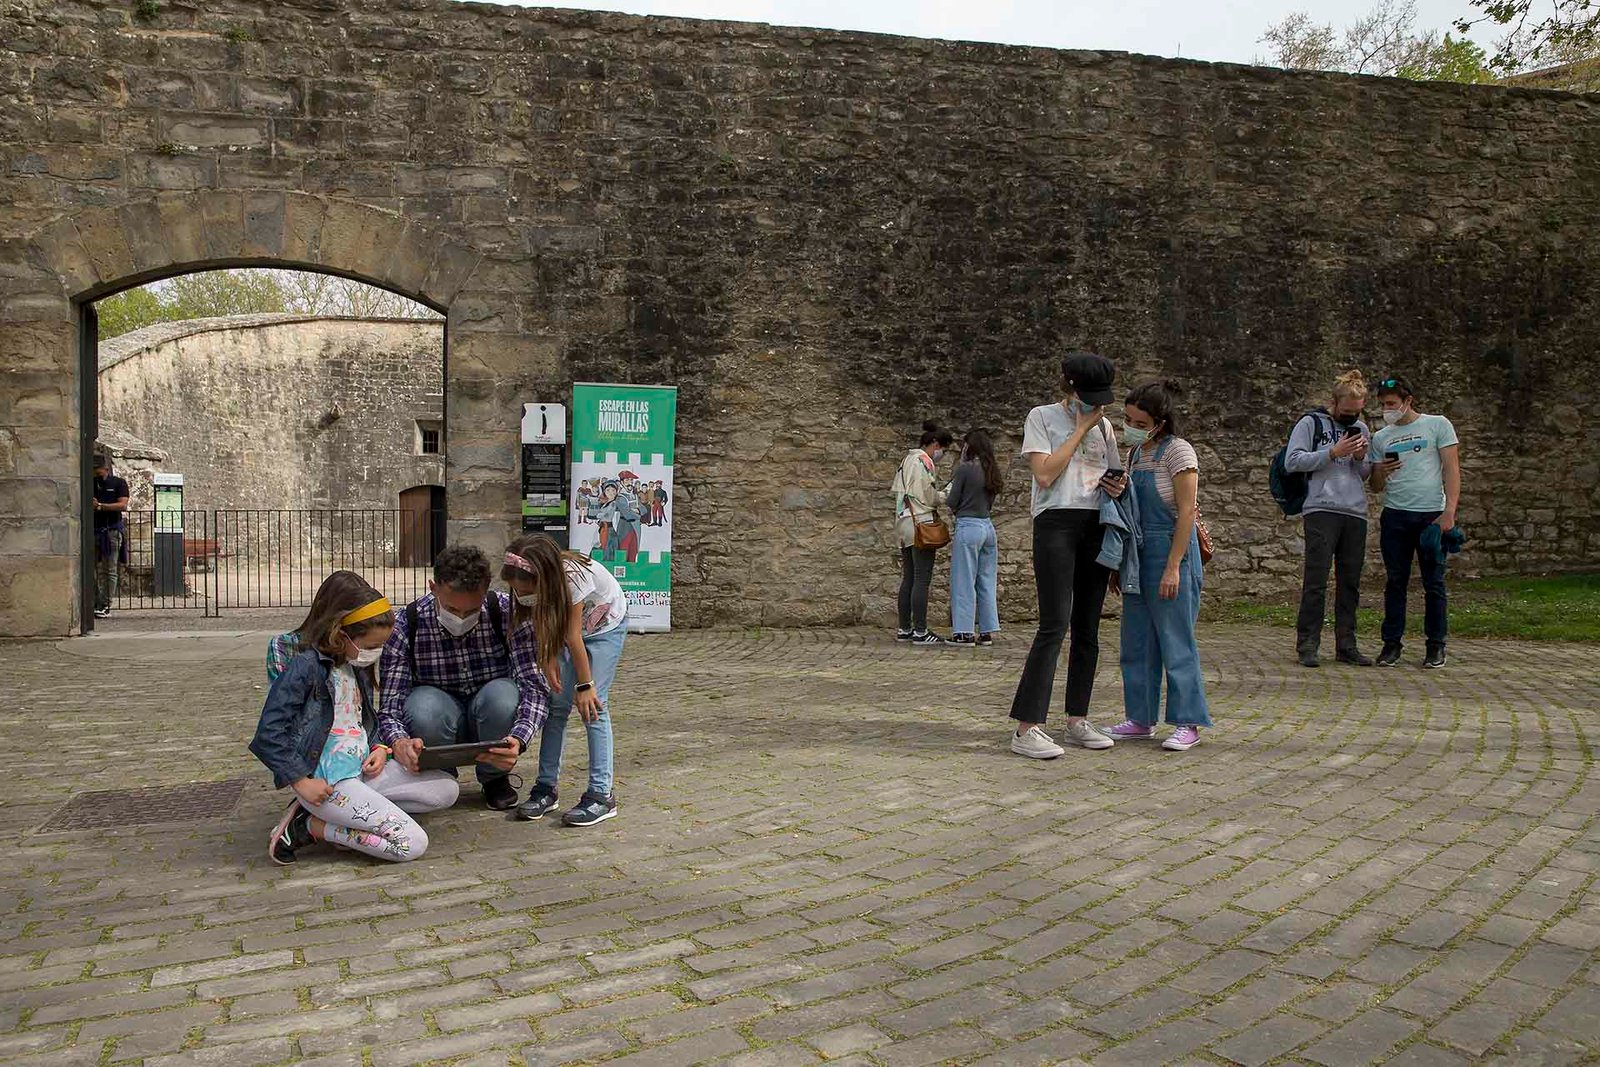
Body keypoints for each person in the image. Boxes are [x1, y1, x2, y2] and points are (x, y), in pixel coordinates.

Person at [250, 571, 460, 865]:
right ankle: (311, 827)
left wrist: (378, 747)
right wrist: (300, 781)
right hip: (331, 782)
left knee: (447, 788)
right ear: (342, 634)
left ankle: (340, 816)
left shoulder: (353, 666)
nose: (375, 653)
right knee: (411, 844)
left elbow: (360, 720)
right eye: (372, 646)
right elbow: (268, 734)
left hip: (362, 771)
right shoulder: (306, 667)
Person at [1008, 352, 1121, 759]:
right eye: (1089, 396)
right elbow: (1044, 473)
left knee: (1088, 628)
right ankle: (1026, 728)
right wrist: (1080, 429)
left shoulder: (1106, 425)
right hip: (1056, 521)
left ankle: (1077, 717)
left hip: (1095, 523)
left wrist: (1117, 484)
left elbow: (1111, 473)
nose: (1096, 404)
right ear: (1071, 388)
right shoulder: (1041, 417)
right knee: (1054, 624)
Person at [377, 545, 548, 811]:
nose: (461, 618)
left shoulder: (507, 613)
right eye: (452, 608)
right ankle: (441, 775)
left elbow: (534, 686)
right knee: (422, 706)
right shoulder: (405, 624)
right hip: (438, 718)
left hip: (490, 713)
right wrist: (398, 742)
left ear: (486, 589)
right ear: (433, 588)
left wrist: (519, 739)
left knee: (504, 696)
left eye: (471, 611)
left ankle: (494, 777)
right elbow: (390, 706)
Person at [1104, 380, 1213, 751]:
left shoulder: (1178, 453)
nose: (1129, 426)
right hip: (1138, 554)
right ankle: (1140, 718)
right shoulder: (1135, 455)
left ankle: (1189, 722)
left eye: (1137, 420)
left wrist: (1174, 567)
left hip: (1171, 550)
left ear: (1159, 422)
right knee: (1136, 641)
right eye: (1126, 418)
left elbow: (1186, 513)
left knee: (1175, 641)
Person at [501, 534, 628, 828]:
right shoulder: (533, 583)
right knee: (556, 706)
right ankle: (546, 788)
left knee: (594, 708)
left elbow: (573, 637)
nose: (521, 594)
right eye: (516, 590)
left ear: (543, 577)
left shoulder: (573, 578)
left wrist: (585, 686)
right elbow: (543, 619)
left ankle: (601, 794)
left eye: (525, 589)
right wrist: (546, 655)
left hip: (603, 630)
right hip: (568, 633)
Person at [1367, 375, 1461, 669]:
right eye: (1383, 404)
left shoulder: (1438, 425)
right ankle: (1391, 645)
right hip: (1395, 514)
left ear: (1408, 401)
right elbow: (1376, 486)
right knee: (1396, 582)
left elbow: (1452, 469)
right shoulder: (1381, 437)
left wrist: (1449, 513)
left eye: (1392, 404)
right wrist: (1380, 470)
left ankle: (1436, 645)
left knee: (1434, 583)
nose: (1387, 409)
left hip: (1431, 514)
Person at [1286, 370, 1375, 668]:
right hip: (1321, 508)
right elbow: (1293, 460)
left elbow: (1364, 474)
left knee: (1350, 582)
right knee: (1316, 579)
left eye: (1357, 412)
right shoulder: (1311, 423)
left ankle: (1346, 644)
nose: (1351, 417)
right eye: (1346, 412)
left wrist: (1362, 458)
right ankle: (1308, 644)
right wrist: (1331, 452)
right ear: (1334, 402)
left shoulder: (1361, 428)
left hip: (1354, 511)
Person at [893, 420, 953, 646]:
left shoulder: (906, 460)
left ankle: (904, 627)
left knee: (908, 577)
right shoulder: (923, 462)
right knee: (921, 578)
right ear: (935, 444)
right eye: (943, 451)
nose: (942, 456)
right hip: (921, 523)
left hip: (903, 522)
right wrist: (946, 493)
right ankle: (920, 630)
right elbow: (928, 497)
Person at [946, 429, 1003, 647]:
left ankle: (963, 632)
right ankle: (986, 630)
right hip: (987, 526)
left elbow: (952, 500)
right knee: (986, 580)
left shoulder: (965, 469)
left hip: (968, 525)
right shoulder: (992, 469)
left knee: (964, 580)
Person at [91, 454, 129, 620]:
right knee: (89, 569)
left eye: (98, 471)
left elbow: (123, 505)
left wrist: (100, 506)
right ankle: (95, 601)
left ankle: (105, 603)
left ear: (106, 469)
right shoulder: (91, 484)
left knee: (109, 569)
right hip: (93, 530)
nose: (96, 474)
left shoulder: (119, 483)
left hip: (111, 531)